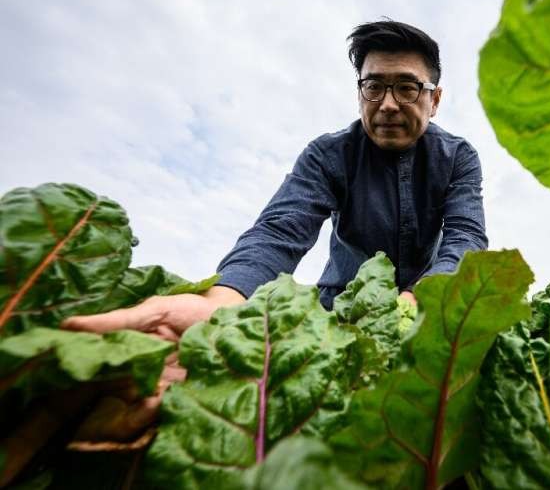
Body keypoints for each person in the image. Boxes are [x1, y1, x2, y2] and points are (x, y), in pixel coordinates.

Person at [63, 19, 488, 340]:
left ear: (435, 99)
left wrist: (420, 299)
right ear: (360, 91)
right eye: (374, 87)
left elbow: (465, 238)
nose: (389, 104)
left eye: (407, 89)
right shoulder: (328, 154)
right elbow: (280, 230)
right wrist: (224, 301)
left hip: (427, 308)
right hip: (340, 309)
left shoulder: (459, 158)